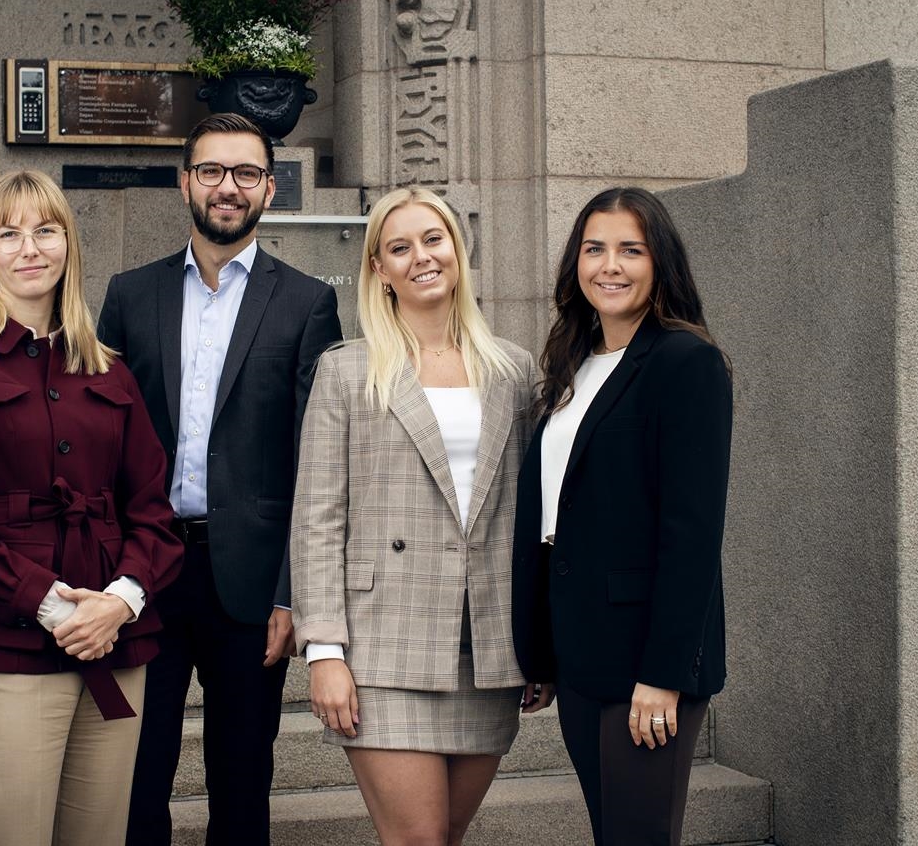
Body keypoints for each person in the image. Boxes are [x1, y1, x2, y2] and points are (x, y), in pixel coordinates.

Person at [0, 169, 183, 846]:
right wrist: (53, 605)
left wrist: (119, 601)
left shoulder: (108, 369)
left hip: (115, 642)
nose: (29, 248)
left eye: (46, 230)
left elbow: (155, 510)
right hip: (7, 641)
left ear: (68, 245)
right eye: (9, 232)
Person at [98, 113, 342, 846]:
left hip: (251, 582)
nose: (226, 187)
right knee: (136, 774)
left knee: (242, 781)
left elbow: (317, 458)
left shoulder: (306, 303)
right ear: (185, 182)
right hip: (145, 572)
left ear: (269, 187)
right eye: (211, 170)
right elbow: (103, 443)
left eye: (244, 173)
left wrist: (291, 593)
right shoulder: (129, 295)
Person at [290, 186, 553, 846]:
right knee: (418, 839)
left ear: (457, 250)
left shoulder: (514, 371)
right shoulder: (348, 371)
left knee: (447, 835)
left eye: (433, 240)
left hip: (485, 647)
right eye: (399, 247)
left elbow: (533, 520)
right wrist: (324, 649)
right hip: (383, 647)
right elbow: (318, 517)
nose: (420, 258)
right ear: (378, 268)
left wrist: (538, 641)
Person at [511, 186, 733, 845]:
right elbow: (558, 513)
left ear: (659, 262)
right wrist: (543, 652)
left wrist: (662, 674)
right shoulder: (573, 361)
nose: (609, 265)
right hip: (581, 652)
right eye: (594, 248)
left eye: (630, 250)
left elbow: (691, 533)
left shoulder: (686, 362)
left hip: (647, 658)